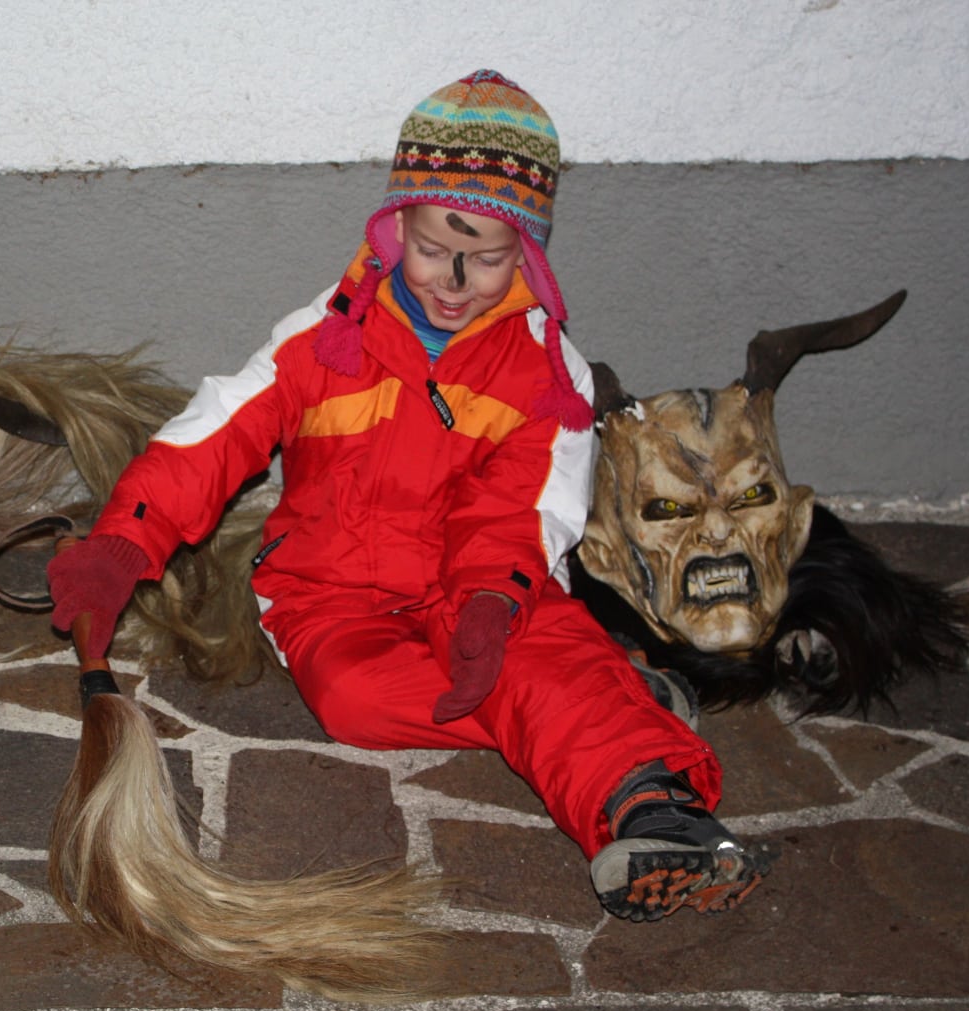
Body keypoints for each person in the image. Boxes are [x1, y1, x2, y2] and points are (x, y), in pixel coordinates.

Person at [48, 70, 769, 921]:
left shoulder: (547, 377)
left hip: (481, 590)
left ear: (528, 254)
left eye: (489, 259)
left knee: (523, 656)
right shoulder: (324, 338)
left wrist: (490, 605)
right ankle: (602, 692)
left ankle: (651, 806)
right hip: (329, 592)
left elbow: (519, 511)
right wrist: (124, 541)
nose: (454, 281)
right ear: (394, 229)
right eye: (433, 249)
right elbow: (216, 436)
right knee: (355, 704)